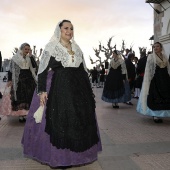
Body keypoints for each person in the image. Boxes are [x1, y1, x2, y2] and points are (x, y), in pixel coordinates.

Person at [21, 20, 102, 168]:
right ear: (59, 30)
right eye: (66, 28)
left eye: (71, 28)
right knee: (60, 121)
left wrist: (88, 92)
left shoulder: (77, 48)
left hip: (78, 90)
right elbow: (42, 70)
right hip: (58, 88)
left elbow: (83, 69)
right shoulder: (51, 47)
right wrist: (42, 91)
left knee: (77, 123)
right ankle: (59, 159)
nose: (69, 31)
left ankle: (74, 156)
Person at [0, 43, 37, 122]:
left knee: (29, 97)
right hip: (19, 80)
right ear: (22, 49)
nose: (27, 51)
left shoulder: (29, 58)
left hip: (29, 79)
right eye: (25, 49)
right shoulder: (15, 58)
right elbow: (11, 70)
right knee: (20, 97)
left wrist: (31, 56)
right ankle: (21, 116)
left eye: (28, 49)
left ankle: (26, 114)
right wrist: (10, 80)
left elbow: (34, 66)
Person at [137, 42, 170, 123]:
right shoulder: (151, 57)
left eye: (157, 46)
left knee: (165, 96)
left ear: (161, 48)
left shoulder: (165, 57)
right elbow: (148, 69)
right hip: (155, 80)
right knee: (155, 96)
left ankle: (162, 113)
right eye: (154, 47)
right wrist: (148, 80)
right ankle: (155, 115)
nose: (155, 48)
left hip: (165, 80)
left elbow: (168, 69)